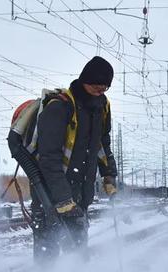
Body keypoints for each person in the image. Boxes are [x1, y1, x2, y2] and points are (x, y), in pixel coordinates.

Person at [32, 56, 118, 261]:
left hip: (79, 195)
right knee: (48, 256)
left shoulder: (101, 108)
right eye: (98, 85)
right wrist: (62, 199)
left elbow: (102, 144)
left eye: (105, 87)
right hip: (48, 196)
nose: (102, 90)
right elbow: (48, 158)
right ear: (85, 80)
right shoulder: (59, 108)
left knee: (79, 255)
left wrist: (109, 175)